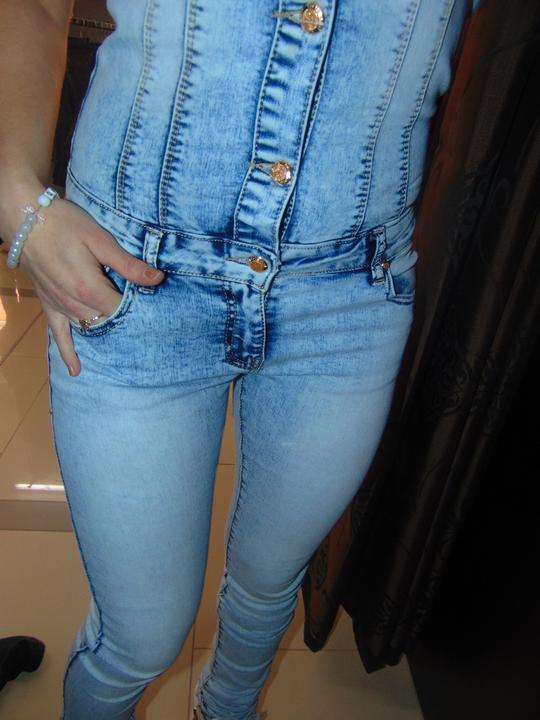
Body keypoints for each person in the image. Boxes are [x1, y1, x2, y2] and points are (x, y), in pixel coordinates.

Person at [0, 1, 483, 718]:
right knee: (140, 638)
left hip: (349, 297)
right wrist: (16, 198)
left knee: (268, 585)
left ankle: (228, 709)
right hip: (131, 279)